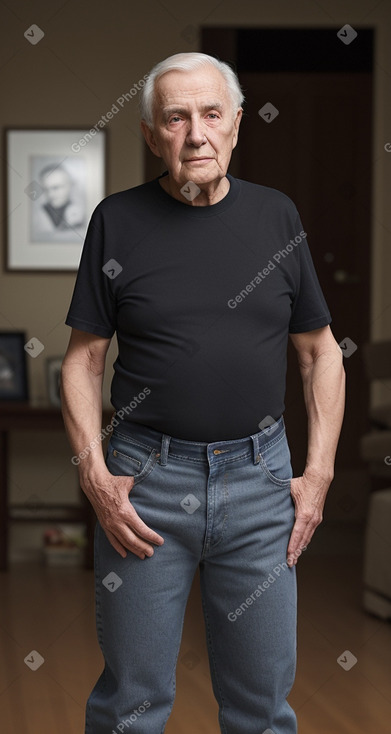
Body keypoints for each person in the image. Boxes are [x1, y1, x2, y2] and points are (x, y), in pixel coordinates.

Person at [61, 52, 345, 734]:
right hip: (145, 481)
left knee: (260, 710)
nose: (196, 134)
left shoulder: (277, 217)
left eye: (211, 115)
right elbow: (82, 361)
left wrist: (318, 474)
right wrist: (95, 477)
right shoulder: (117, 221)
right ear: (151, 134)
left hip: (260, 481)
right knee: (132, 706)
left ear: (237, 125)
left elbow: (320, 351)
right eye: (176, 118)